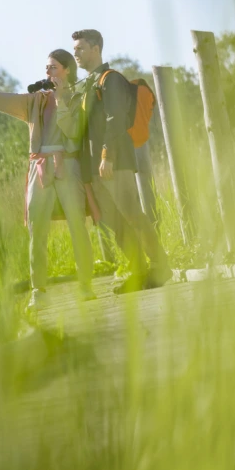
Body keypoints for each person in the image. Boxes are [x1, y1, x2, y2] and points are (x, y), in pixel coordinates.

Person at [0, 49, 95, 309]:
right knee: (36, 227)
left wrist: (62, 98)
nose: (48, 72)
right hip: (39, 166)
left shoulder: (78, 97)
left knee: (77, 225)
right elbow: (8, 100)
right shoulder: (36, 100)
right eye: (47, 67)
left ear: (66, 70)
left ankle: (85, 285)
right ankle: (38, 291)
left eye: (53, 67)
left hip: (67, 165)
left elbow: (74, 131)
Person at [72, 29, 172, 294]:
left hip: (114, 161)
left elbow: (114, 119)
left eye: (80, 48)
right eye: (74, 49)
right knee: (116, 222)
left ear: (96, 49)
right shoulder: (87, 84)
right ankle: (138, 272)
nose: (76, 53)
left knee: (131, 214)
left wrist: (107, 156)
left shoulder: (110, 79)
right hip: (95, 167)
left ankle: (161, 266)